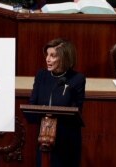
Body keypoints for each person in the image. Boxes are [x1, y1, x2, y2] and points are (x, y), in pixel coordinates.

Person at [29, 38, 86, 167]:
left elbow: (77, 111)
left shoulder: (77, 79)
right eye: (47, 55)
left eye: (53, 56)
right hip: (45, 136)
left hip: (66, 138)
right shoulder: (41, 75)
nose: (47, 59)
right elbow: (32, 103)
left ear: (64, 58)